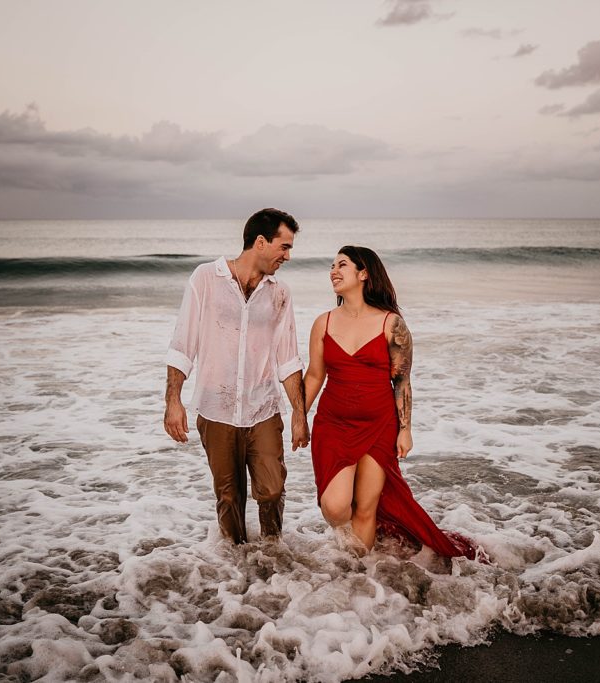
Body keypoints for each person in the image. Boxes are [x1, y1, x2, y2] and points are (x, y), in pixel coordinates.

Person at [304, 246, 476, 559]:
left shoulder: (391, 324)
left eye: (342, 265)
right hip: (334, 422)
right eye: (331, 266)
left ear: (364, 273)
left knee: (366, 508)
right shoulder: (323, 323)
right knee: (335, 505)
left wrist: (405, 429)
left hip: (379, 424)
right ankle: (347, 545)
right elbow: (315, 375)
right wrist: (298, 416)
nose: (333, 271)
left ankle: (357, 571)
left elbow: (402, 381)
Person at [163, 208, 309, 544]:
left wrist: (300, 414)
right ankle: (236, 565)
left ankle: (273, 555)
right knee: (229, 498)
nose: (287, 256)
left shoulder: (280, 292)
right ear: (260, 242)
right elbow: (183, 344)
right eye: (284, 247)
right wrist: (173, 400)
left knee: (272, 490)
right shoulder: (205, 278)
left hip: (263, 409)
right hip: (216, 409)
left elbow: (288, 358)